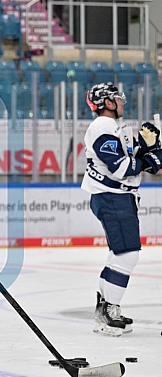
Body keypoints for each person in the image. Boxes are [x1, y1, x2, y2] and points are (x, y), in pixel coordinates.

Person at [83, 82, 162, 337]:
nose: (123, 101)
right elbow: (121, 167)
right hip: (112, 198)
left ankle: (105, 308)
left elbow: (131, 155)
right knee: (127, 254)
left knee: (119, 254)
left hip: (115, 198)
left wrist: (146, 145)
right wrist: (149, 159)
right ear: (107, 102)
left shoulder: (114, 127)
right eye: (117, 98)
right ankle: (109, 312)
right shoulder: (102, 127)